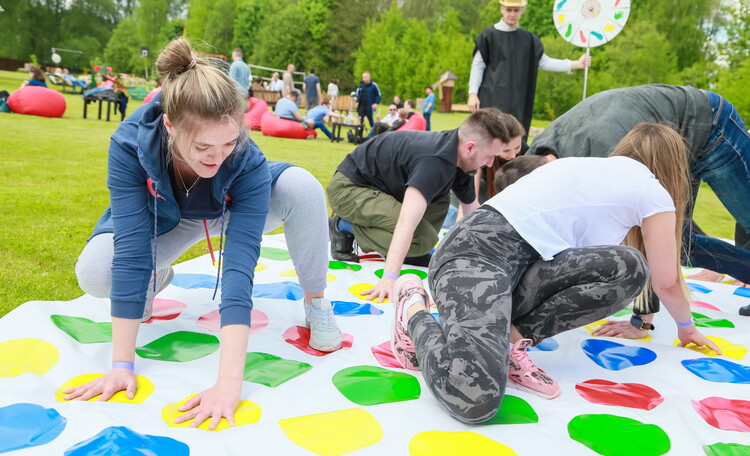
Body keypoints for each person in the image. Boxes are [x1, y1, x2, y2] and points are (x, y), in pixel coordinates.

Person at [66, 38, 342, 430]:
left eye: (229, 142)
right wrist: (121, 366)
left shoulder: (243, 160)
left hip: (227, 206)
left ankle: (317, 303)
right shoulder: (129, 145)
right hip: (169, 218)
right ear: (170, 125)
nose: (218, 156)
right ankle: (156, 276)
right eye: (203, 146)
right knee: (95, 274)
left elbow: (238, 270)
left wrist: (229, 384)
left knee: (303, 186)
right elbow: (129, 249)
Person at [389, 123, 721, 424]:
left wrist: (643, 320)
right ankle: (414, 310)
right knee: (474, 398)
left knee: (629, 266)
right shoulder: (651, 191)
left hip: (516, 264)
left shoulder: (582, 167)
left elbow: (626, 271)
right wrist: (686, 328)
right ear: (673, 168)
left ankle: (510, 342)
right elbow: (667, 281)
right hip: (478, 255)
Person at [528, 84, 750, 318]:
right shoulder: (536, 157)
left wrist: (642, 319)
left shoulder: (603, 158)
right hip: (671, 141)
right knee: (679, 244)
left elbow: (644, 229)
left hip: (710, 123)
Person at [327, 108, 524, 301]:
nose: (490, 164)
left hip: (384, 190)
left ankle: (410, 251)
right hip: (349, 190)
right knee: (422, 239)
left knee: (440, 199)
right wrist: (389, 278)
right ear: (470, 147)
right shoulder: (434, 162)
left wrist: (496, 257)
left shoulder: (459, 156)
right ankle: (343, 226)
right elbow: (406, 222)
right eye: (490, 156)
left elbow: (474, 213)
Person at [468, 0, 591, 138]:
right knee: (489, 138)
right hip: (490, 99)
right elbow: (478, 66)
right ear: (502, 9)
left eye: (516, 10)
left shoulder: (529, 39)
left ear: (522, 11)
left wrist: (576, 64)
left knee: (514, 142)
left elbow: (545, 62)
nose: (512, 14)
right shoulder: (488, 36)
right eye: (509, 10)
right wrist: (473, 94)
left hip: (519, 103)